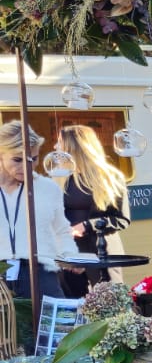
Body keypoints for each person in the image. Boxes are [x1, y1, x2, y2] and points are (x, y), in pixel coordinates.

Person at [0, 121, 74, 300]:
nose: (27, 167)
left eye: (33, 159)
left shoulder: (48, 188)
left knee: (58, 326)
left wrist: (71, 256)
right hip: (2, 272)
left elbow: (62, 230)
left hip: (41, 273)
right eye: (17, 160)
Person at [55, 125, 131, 295]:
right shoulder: (60, 178)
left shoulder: (109, 177)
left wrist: (87, 225)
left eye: (59, 143)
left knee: (109, 303)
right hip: (70, 255)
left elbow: (122, 219)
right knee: (73, 307)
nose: (55, 148)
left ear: (74, 147)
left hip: (102, 252)